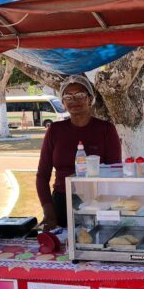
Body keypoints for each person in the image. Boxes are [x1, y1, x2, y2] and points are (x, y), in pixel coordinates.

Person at [36, 75, 122, 230]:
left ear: (90, 99)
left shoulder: (106, 130)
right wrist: (49, 212)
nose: (74, 101)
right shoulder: (55, 130)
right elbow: (42, 175)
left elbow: (114, 172)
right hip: (62, 203)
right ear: (63, 103)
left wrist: (107, 206)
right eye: (68, 97)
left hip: (98, 201)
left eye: (80, 95)